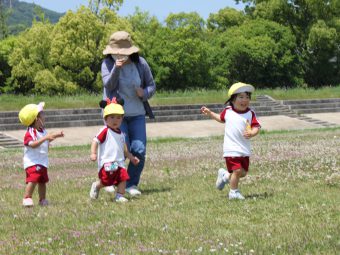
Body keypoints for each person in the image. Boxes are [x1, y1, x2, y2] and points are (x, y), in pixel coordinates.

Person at [101, 31, 156, 196]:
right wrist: (116, 69)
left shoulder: (140, 64)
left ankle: (131, 184)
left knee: (138, 149)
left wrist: (144, 93)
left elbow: (152, 86)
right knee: (118, 151)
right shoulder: (107, 64)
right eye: (117, 52)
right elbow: (109, 85)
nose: (120, 55)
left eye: (123, 52)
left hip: (137, 113)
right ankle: (110, 180)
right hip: (116, 116)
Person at [201, 82, 261, 200]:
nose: (245, 100)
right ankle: (234, 192)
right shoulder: (228, 111)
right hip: (231, 148)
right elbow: (220, 118)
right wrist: (210, 113)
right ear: (233, 99)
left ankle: (224, 176)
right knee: (237, 170)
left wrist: (252, 133)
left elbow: (256, 127)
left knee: (242, 173)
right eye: (241, 97)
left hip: (244, 149)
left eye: (247, 97)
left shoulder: (250, 113)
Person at [90, 98, 140, 203]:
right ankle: (97, 185)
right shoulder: (105, 131)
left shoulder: (122, 134)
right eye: (112, 117)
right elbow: (95, 141)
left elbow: (125, 148)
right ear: (105, 118)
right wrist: (93, 153)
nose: (115, 120)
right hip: (108, 162)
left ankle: (119, 196)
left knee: (123, 178)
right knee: (107, 181)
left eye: (118, 118)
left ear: (122, 119)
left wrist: (131, 157)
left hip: (119, 162)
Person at [18, 102, 64, 207]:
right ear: (36, 119)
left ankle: (42, 200)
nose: (44, 115)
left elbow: (46, 140)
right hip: (33, 162)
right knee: (33, 179)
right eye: (41, 113)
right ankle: (27, 198)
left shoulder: (42, 130)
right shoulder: (30, 132)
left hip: (42, 161)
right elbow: (33, 144)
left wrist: (56, 135)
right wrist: (45, 138)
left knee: (42, 181)